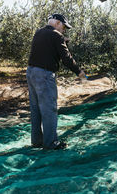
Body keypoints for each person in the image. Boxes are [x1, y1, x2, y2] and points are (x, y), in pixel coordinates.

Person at [26, 13, 86, 150]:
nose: (63, 30)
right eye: (64, 27)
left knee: (36, 109)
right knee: (49, 109)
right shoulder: (56, 36)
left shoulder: (39, 32)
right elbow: (66, 58)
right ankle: (51, 143)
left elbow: (47, 47)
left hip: (31, 73)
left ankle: (37, 141)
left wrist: (62, 41)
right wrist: (79, 72)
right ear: (58, 23)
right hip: (44, 75)